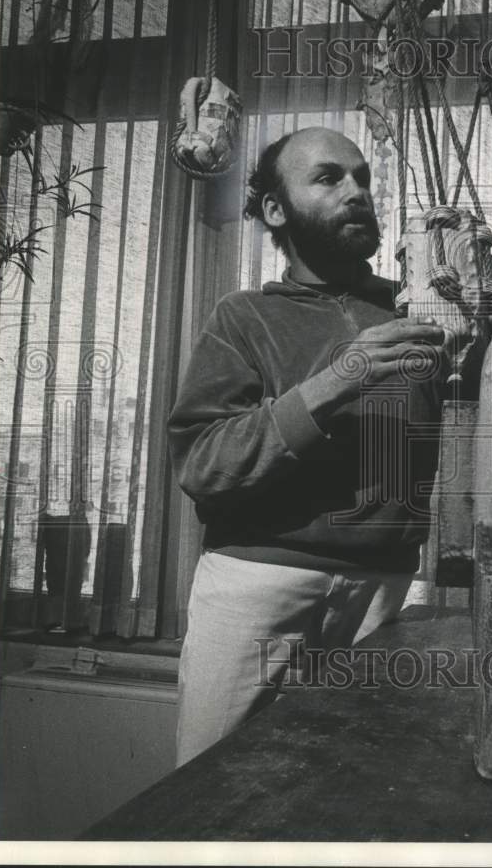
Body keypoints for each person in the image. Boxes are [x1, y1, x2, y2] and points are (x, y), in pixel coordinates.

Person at [167, 126, 447, 766]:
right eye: (328, 178)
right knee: (212, 793)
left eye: (363, 179)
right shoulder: (242, 318)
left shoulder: (419, 315)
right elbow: (203, 462)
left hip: (387, 589)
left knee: (359, 795)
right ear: (274, 209)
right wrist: (335, 381)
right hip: (259, 582)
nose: (357, 193)